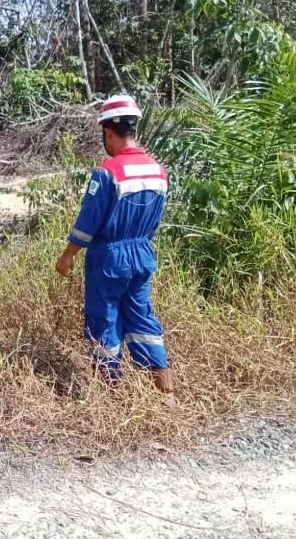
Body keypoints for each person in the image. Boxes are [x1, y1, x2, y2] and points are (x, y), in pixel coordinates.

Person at [54, 95, 173, 393]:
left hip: (109, 258)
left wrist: (67, 255)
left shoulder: (107, 172)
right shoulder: (158, 171)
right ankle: (166, 391)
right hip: (142, 253)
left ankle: (111, 395)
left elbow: (88, 222)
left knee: (104, 319)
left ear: (108, 132)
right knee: (142, 317)